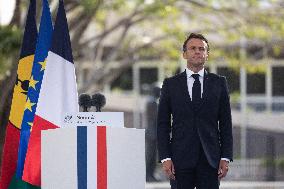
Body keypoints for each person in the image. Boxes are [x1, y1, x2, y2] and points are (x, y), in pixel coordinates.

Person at [157, 33, 233, 189]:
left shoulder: (219, 83)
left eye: (201, 49)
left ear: (207, 54)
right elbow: (162, 124)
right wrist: (165, 157)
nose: (197, 51)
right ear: (184, 54)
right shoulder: (171, 84)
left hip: (211, 160)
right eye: (192, 48)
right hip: (179, 160)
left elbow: (226, 123)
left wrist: (226, 156)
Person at [145, 85, 160, 182]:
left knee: (154, 156)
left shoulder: (154, 102)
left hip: (154, 132)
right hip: (151, 133)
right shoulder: (152, 103)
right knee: (150, 156)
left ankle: (151, 174)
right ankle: (148, 175)